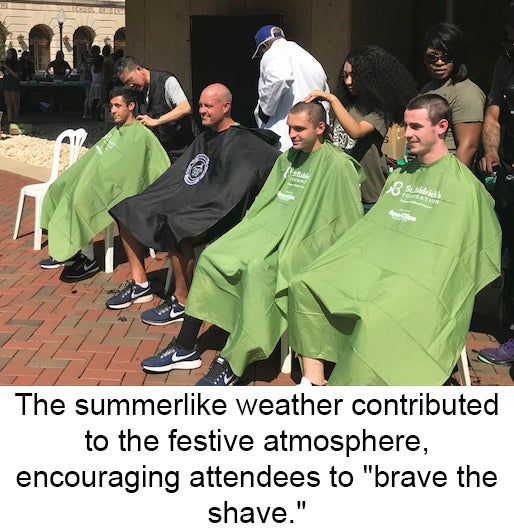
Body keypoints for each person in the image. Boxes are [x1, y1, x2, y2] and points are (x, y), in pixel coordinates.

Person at [140, 100, 366, 385]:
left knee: (259, 270)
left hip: (306, 243)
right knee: (213, 256)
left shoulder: (338, 165)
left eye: (299, 129)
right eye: (290, 128)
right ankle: (186, 346)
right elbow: (266, 204)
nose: (292, 135)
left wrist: (301, 245)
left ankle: (234, 360)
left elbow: (344, 220)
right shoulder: (288, 159)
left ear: (320, 128)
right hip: (265, 231)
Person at [286, 94, 501, 386]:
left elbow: (463, 254)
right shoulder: (400, 175)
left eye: (415, 127)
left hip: (420, 277)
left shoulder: (464, 187)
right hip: (376, 263)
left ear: (441, 127)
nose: (406, 134)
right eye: (405, 126)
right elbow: (376, 229)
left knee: (376, 314)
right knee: (305, 284)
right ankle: (315, 383)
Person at [107, 83, 280, 317]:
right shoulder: (206, 137)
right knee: (127, 209)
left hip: (219, 211)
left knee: (176, 226)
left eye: (208, 106)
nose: (201, 110)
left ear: (226, 106)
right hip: (190, 200)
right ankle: (140, 285)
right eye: (200, 105)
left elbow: (271, 164)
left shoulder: (244, 141)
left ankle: (181, 301)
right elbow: (184, 175)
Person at [39, 87, 170, 282]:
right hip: (100, 182)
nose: (113, 111)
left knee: (78, 201)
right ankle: (70, 249)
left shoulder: (142, 135)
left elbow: (149, 169)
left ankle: (88, 258)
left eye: (118, 106)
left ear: (131, 106)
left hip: (116, 190)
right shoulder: (117, 131)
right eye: (112, 106)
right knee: (59, 188)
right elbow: (96, 160)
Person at [304, 45, 417, 211]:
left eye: (354, 76)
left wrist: (332, 100)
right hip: (343, 188)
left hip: (369, 193)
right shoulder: (346, 104)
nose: (348, 81)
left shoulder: (380, 110)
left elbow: (356, 131)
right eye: (345, 76)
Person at [478, 2, 514, 366]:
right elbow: (493, 114)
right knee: (509, 259)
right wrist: (491, 150)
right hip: (509, 176)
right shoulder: (506, 64)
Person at [252, 25, 330, 151]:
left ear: (263, 47)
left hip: (285, 139)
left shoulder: (272, 52)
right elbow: (324, 93)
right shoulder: (308, 57)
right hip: (312, 138)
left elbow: (280, 78)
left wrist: (265, 110)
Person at [419, 22, 485, 168]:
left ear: (457, 57)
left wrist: (450, 184)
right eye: (433, 57)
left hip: (447, 173)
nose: (440, 62)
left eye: (447, 57)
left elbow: (468, 147)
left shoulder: (466, 92)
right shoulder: (426, 90)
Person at [117, 56, 196, 161]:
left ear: (139, 70)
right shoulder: (137, 92)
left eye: (130, 80)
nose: (130, 85)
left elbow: (185, 108)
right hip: (162, 151)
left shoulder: (167, 81)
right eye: (126, 83)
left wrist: (157, 121)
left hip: (184, 149)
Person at [1, 48, 20, 129]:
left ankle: (15, 120)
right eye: (7, 53)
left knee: (14, 103)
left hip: (13, 84)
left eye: (10, 53)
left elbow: (16, 75)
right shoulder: (6, 62)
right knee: (8, 103)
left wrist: (8, 68)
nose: (8, 55)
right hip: (6, 84)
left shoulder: (16, 63)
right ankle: (9, 121)